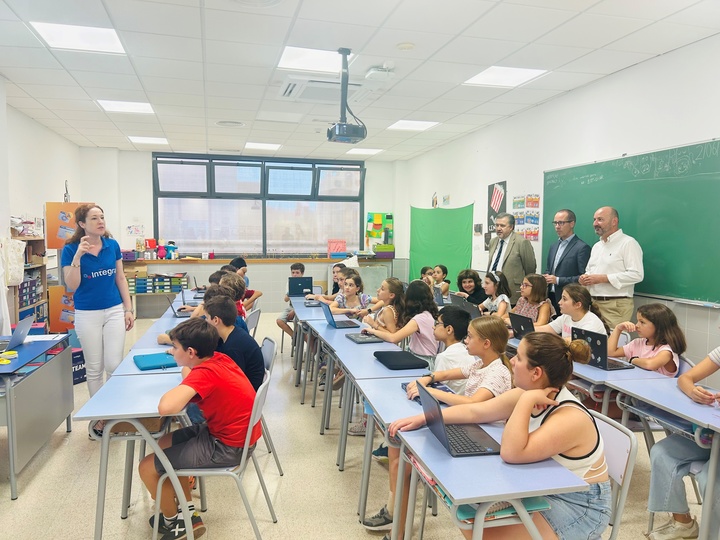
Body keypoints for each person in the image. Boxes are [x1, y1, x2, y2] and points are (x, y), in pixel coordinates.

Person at [389, 332, 611, 540]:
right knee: (469, 518)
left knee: (479, 531)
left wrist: (524, 402)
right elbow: (476, 411)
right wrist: (425, 418)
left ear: (536, 373)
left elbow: (512, 453)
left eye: (519, 358)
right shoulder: (528, 392)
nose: (511, 361)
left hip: (579, 505)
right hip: (541, 486)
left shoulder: (569, 416)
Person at [364, 315, 512, 536]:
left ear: (486, 343)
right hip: (469, 425)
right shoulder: (480, 363)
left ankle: (398, 525)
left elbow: (474, 404)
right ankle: (398, 524)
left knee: (405, 461)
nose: (465, 341)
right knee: (400, 452)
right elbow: (446, 374)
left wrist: (429, 391)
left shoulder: (498, 372)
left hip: (484, 437)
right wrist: (428, 378)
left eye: (470, 337)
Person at [138, 318, 260, 540]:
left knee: (147, 467)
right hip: (231, 435)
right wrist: (188, 378)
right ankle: (188, 511)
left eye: (175, 347)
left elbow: (166, 407)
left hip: (228, 447)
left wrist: (185, 384)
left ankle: (175, 522)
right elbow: (191, 375)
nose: (172, 351)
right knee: (163, 444)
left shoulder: (205, 374)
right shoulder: (218, 358)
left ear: (191, 352)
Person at [61, 204, 134, 409]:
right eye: (94, 218)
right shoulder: (70, 250)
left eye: (102, 217)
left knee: (114, 364)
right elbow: (72, 285)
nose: (100, 221)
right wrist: (78, 257)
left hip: (113, 310)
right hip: (87, 313)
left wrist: (128, 309)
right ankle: (100, 414)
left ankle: (115, 410)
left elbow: (120, 278)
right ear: (82, 224)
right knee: (94, 368)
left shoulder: (112, 245)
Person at [646, 346, 720, 540]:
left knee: (710, 480)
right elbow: (684, 379)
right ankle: (683, 524)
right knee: (662, 453)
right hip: (714, 433)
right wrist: (694, 392)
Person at [579, 206, 644, 329]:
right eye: (594, 220)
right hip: (593, 304)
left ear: (614, 221)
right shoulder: (597, 246)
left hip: (615, 305)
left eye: (600, 219)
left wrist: (604, 278)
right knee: (592, 345)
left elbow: (637, 274)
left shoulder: (628, 243)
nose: (595, 223)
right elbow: (590, 271)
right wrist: (585, 279)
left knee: (611, 345)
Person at [364, 279, 439, 361]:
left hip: (423, 360)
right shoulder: (426, 314)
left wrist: (373, 328)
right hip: (417, 355)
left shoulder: (420, 318)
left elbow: (394, 338)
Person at [607, 303, 686, 377]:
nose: (637, 325)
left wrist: (633, 360)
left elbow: (650, 364)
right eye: (637, 321)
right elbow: (610, 352)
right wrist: (618, 329)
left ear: (659, 326)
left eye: (642, 322)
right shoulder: (638, 343)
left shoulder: (666, 350)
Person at [542, 209, 591, 315]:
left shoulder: (581, 247)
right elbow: (549, 269)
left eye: (561, 223)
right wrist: (546, 277)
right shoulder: (553, 246)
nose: (557, 226)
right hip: (550, 296)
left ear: (572, 223)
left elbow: (583, 277)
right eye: (555, 223)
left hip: (569, 299)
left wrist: (558, 280)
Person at [486, 212, 536, 304]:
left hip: (512, 291)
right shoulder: (493, 241)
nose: (498, 228)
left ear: (511, 227)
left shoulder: (521, 242)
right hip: (494, 292)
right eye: (497, 225)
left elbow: (530, 269)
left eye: (502, 226)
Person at [536, 283, 607, 340]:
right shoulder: (566, 316)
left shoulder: (591, 323)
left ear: (578, 305)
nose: (559, 302)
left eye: (564, 299)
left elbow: (571, 343)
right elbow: (545, 329)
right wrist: (527, 329)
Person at [276, 262, 305, 339]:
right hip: (291, 307)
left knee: (297, 322)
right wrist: (291, 291)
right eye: (293, 273)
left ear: (302, 273)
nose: (295, 275)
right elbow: (285, 299)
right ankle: (295, 337)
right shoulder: (289, 283)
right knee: (279, 320)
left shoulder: (306, 283)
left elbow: (306, 301)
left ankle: (300, 341)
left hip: (302, 308)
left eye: (297, 273)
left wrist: (295, 311)